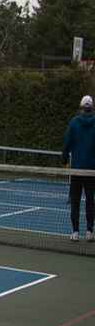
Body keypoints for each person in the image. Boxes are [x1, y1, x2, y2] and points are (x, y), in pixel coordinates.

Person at [62, 95, 95, 242]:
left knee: (75, 201)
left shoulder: (74, 123)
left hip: (76, 170)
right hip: (91, 171)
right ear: (91, 108)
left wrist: (63, 160)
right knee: (90, 201)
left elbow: (67, 142)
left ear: (81, 107)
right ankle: (89, 231)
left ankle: (75, 232)